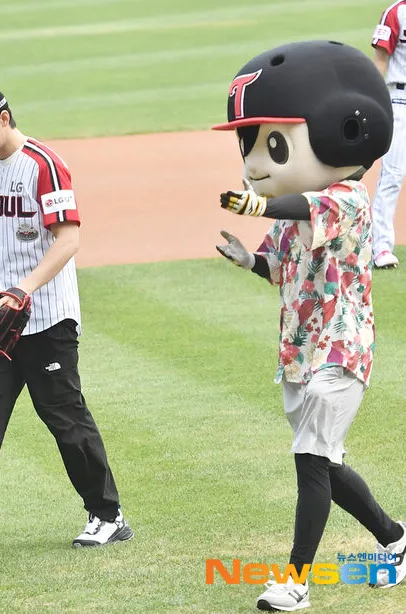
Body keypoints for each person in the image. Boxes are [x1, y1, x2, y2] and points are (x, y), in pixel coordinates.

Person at [213, 41, 406, 611]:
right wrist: (250, 260)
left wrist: (255, 207)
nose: (255, 162)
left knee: (310, 463)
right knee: (326, 461)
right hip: (299, 352)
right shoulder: (300, 208)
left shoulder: (348, 198)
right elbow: (280, 264)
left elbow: (301, 208)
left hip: (342, 352)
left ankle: (296, 581)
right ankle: (394, 536)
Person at [0, 83, 132, 562]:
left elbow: (68, 240)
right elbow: (2, 236)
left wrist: (23, 288)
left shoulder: (44, 165)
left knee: (65, 420)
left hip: (48, 318)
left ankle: (108, 516)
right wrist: (0, 293)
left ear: (4, 118)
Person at [370, 2, 406, 268]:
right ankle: (381, 247)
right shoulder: (396, 12)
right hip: (399, 100)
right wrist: (373, 100)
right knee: (392, 174)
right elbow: (380, 59)